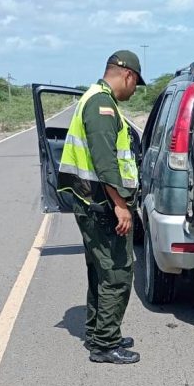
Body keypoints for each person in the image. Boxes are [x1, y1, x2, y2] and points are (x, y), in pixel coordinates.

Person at [57, 50, 145, 364]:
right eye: (136, 85)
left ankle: (99, 331)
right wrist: (121, 205)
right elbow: (105, 160)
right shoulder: (103, 104)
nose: (134, 92)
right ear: (128, 76)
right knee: (118, 273)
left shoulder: (93, 98)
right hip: (103, 206)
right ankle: (106, 345)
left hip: (92, 203)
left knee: (100, 272)